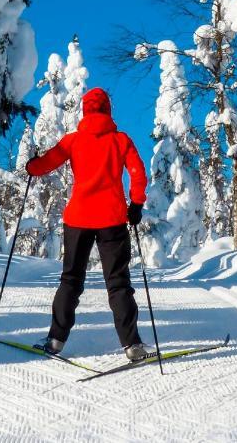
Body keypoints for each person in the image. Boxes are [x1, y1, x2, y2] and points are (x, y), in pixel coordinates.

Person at [25, 86, 149, 361]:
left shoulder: (73, 141)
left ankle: (55, 340)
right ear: (108, 110)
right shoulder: (121, 140)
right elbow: (138, 173)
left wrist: (32, 166)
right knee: (118, 283)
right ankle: (132, 345)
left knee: (71, 280)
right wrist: (136, 204)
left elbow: (46, 163)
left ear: (85, 111)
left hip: (78, 220)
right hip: (112, 219)